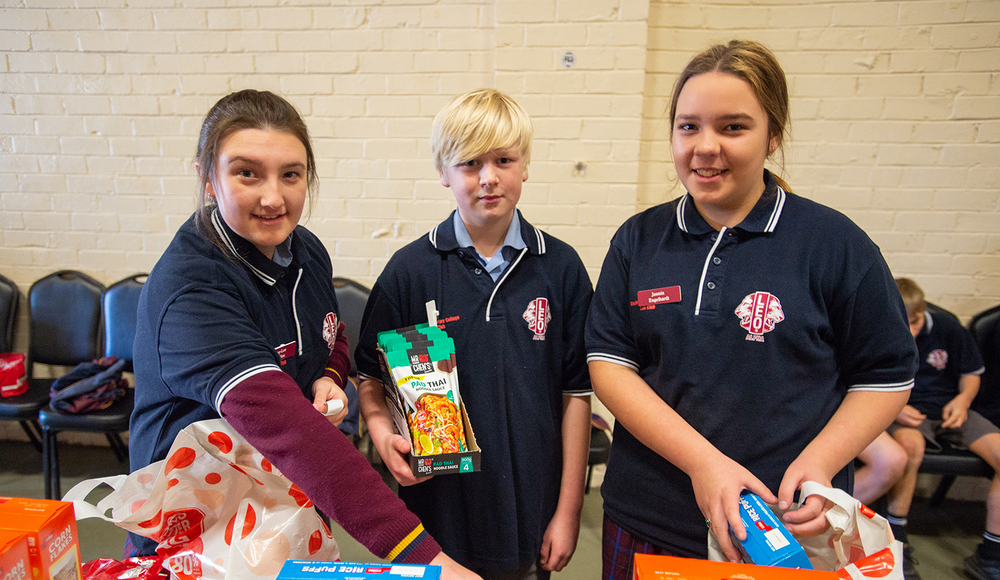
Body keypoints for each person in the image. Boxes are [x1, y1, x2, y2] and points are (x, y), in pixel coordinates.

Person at [583, 40, 918, 579]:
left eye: (733, 127)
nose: (705, 146)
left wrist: (820, 463)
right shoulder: (638, 239)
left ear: (773, 136)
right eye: (688, 126)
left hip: (780, 527)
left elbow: (885, 377)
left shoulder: (834, 243)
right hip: (648, 517)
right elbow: (609, 364)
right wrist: (703, 463)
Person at [128, 89, 479, 580]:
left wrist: (331, 377)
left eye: (290, 175)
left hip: (283, 512)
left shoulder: (306, 252)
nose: (273, 197)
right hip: (195, 531)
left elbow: (328, 336)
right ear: (208, 179)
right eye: (247, 172)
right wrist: (427, 559)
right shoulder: (191, 288)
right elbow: (291, 430)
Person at [355, 88, 593, 580]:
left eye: (503, 160)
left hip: (532, 512)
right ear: (443, 173)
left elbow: (577, 395)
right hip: (439, 517)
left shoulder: (562, 268)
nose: (489, 178)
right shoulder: (410, 271)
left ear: (524, 166)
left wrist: (568, 512)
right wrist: (380, 432)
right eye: (468, 164)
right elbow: (368, 378)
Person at [878, 278, 994, 580]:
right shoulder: (880, 329)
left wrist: (963, 400)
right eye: (906, 324)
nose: (912, 331)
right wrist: (895, 408)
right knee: (909, 448)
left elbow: (971, 373)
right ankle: (896, 542)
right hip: (903, 411)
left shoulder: (948, 328)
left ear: (923, 311)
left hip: (949, 410)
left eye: (916, 322)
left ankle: (990, 554)